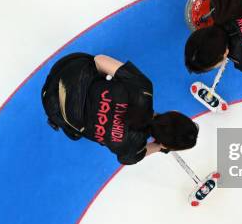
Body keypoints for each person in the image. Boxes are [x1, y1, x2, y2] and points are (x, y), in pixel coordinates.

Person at [42, 52, 199, 165]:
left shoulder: (143, 89)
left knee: (98, 66)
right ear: (164, 143)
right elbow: (127, 159)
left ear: (175, 112)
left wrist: (104, 86)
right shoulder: (131, 149)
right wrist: (159, 147)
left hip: (65, 70)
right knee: (76, 130)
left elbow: (99, 59)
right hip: (53, 108)